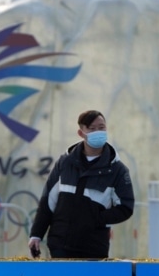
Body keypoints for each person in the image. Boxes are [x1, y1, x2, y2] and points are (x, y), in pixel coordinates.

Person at [28, 110, 134, 259]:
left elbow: (125, 208)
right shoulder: (65, 163)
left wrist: (95, 218)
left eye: (102, 127)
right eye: (92, 128)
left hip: (93, 247)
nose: (98, 132)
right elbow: (47, 202)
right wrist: (36, 235)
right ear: (81, 133)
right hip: (60, 244)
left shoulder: (117, 170)